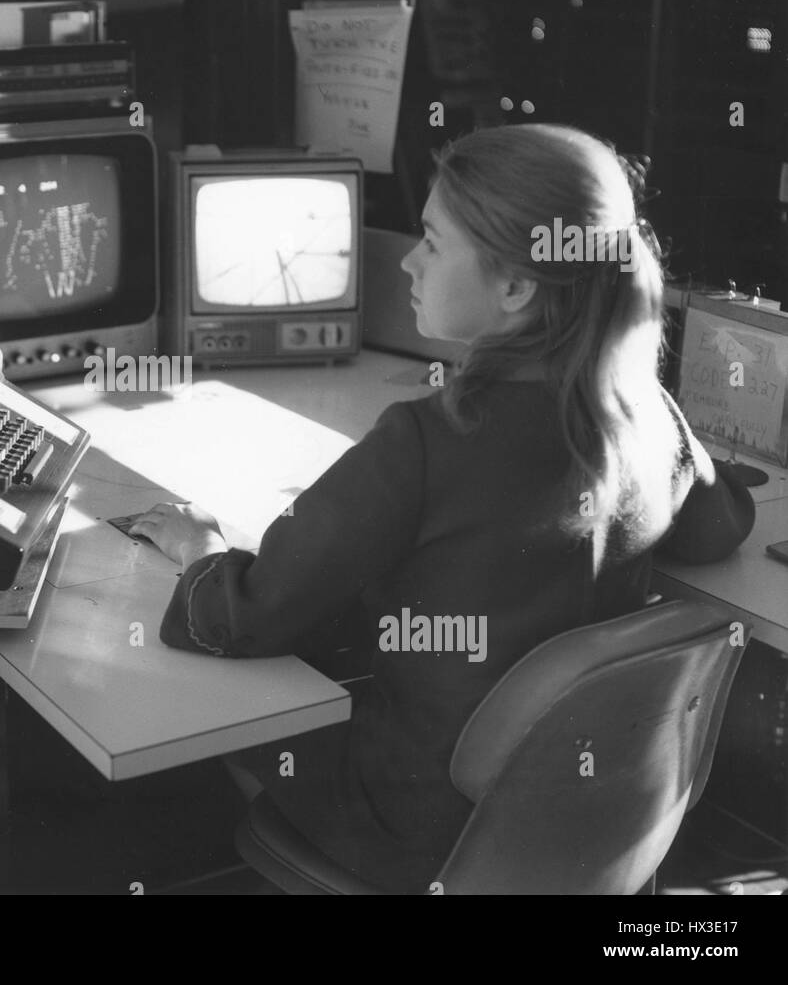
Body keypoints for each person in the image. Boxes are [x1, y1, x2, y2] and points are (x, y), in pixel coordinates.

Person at [128, 123, 757, 892]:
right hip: (592, 836)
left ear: (518, 287)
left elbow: (245, 615)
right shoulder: (650, 416)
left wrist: (200, 551)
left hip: (424, 840)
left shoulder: (426, 440)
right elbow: (719, 526)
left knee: (227, 726)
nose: (407, 260)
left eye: (431, 240)